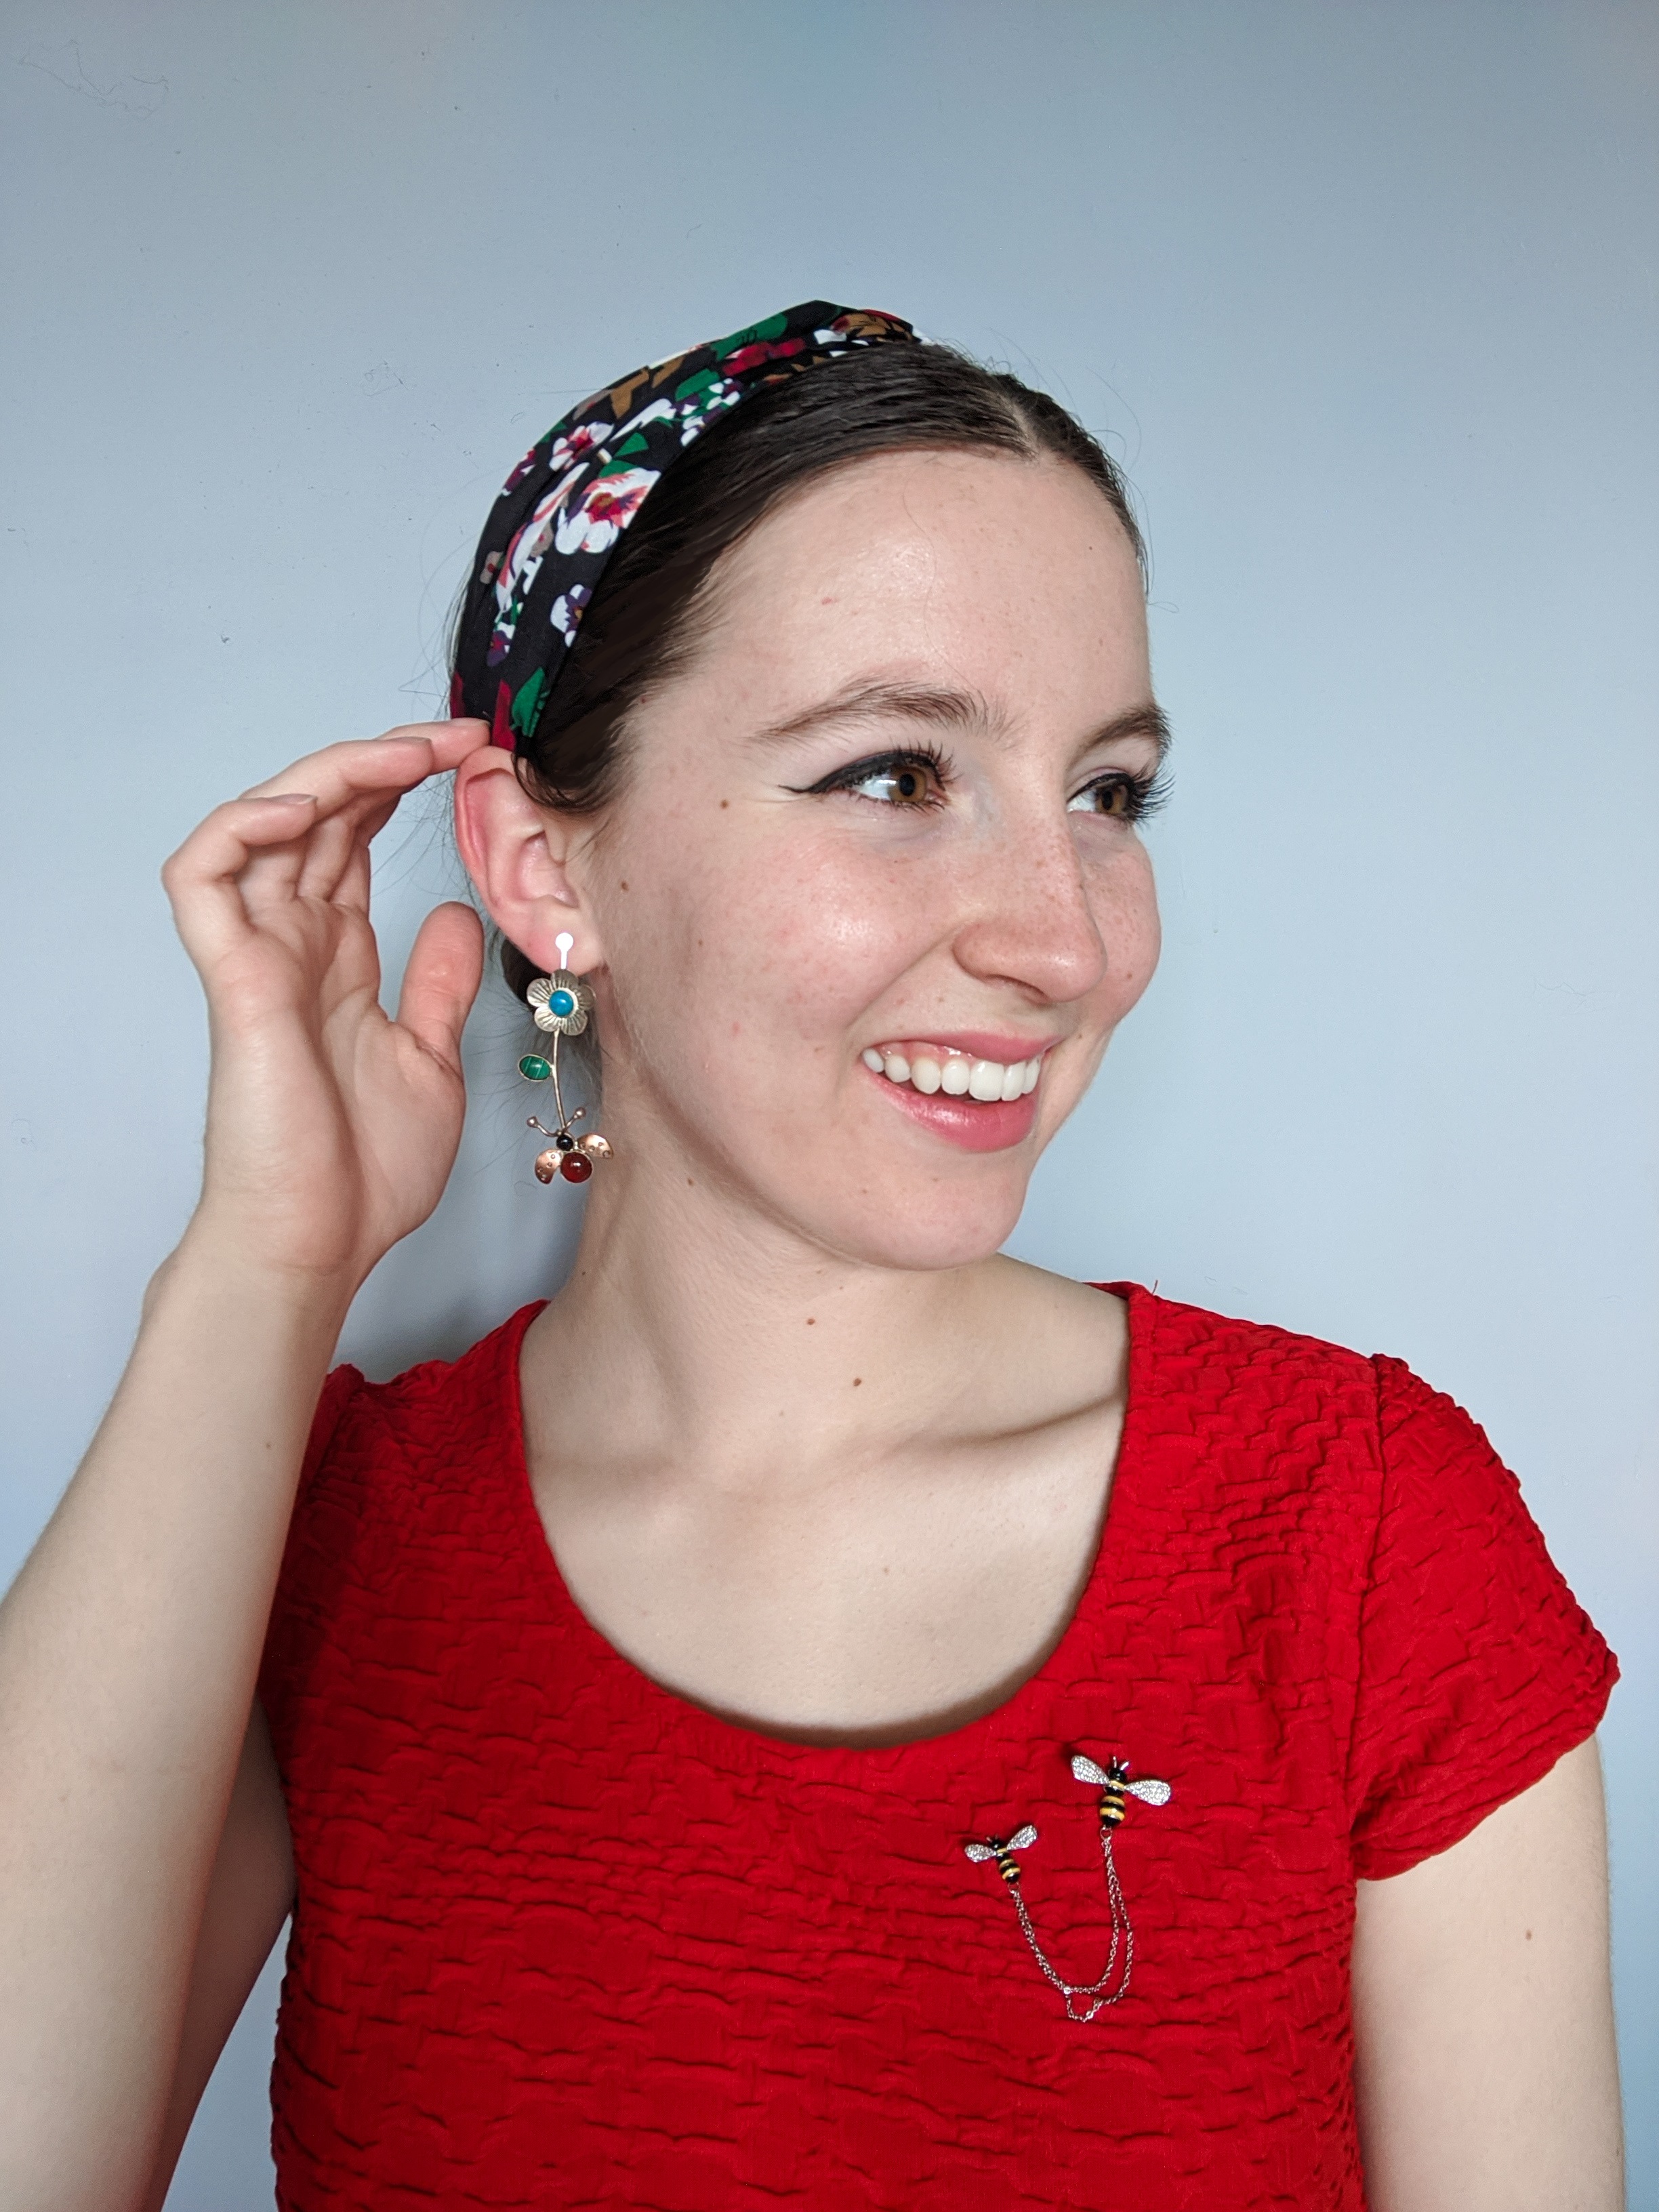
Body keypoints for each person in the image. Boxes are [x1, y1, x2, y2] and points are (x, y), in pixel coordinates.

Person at [0, 304, 1623, 2211]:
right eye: (895, 774)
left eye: (1110, 793)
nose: (1063, 938)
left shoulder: (1353, 1529)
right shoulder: (311, 1544)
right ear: (545, 872)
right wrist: (267, 1264)